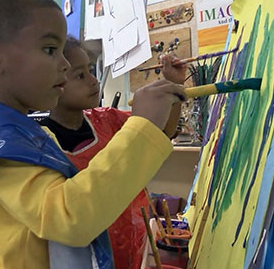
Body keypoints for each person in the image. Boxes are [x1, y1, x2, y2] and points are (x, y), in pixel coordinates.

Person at [0, 0, 186, 269]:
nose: (66, 65)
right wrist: (141, 127)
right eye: (50, 49)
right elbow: (71, 218)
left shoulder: (19, 134)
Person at [39, 37, 186, 269]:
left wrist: (173, 86)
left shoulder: (109, 118)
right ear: (55, 82)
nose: (93, 80)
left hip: (134, 239)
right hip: (88, 253)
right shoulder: (41, 143)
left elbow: (163, 132)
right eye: (80, 76)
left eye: (90, 70)